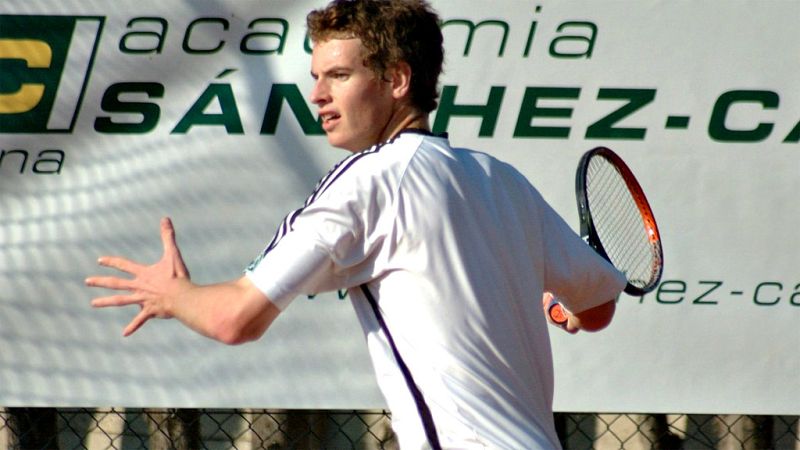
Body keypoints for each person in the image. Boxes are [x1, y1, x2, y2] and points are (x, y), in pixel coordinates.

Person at [86, 0, 626, 448]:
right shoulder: (501, 179)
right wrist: (566, 309)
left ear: (396, 80)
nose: (317, 94)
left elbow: (236, 319)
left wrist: (174, 294)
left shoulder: (370, 179)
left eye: (339, 76)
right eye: (317, 76)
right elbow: (598, 303)